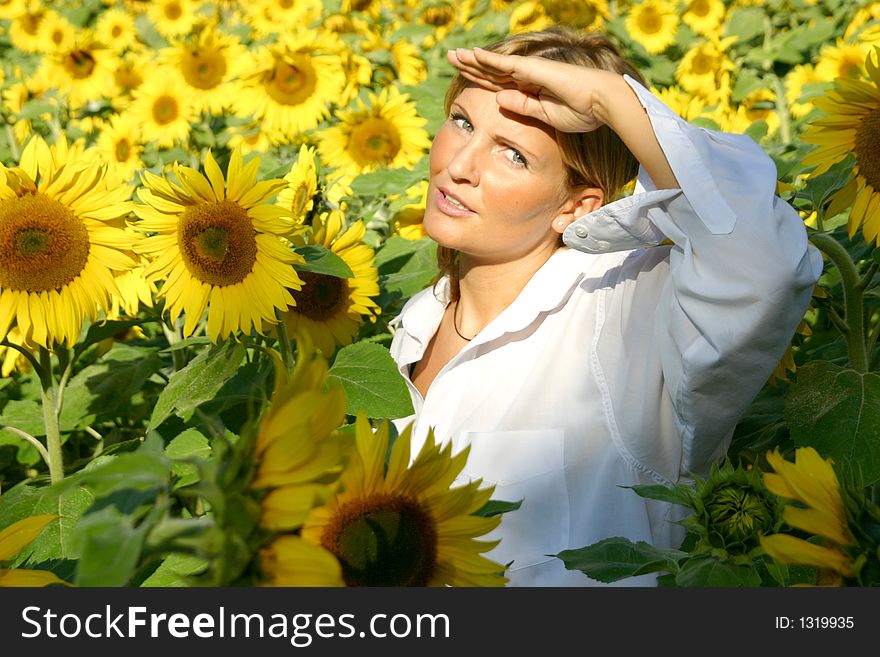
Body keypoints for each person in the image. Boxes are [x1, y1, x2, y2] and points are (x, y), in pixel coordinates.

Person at [387, 26, 823, 586]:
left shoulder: (626, 314)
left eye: (513, 155)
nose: (460, 164)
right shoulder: (416, 323)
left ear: (577, 205)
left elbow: (759, 261)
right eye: (464, 122)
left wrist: (610, 101)